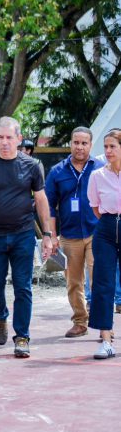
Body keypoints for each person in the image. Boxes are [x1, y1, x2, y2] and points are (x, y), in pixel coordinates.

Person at [0, 117, 53, 359]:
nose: (5, 142)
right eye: (0, 137)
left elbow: (41, 200)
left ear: (18, 138)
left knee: (23, 287)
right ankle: (0, 317)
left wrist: (47, 235)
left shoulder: (32, 166)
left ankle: (22, 337)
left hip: (23, 235)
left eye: (9, 138)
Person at [44, 127, 98, 338]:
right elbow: (49, 206)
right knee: (73, 281)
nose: (80, 147)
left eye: (84, 143)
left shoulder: (100, 168)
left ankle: (103, 323)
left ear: (90, 145)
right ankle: (80, 321)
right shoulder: (57, 172)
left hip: (97, 234)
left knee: (98, 279)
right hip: (69, 236)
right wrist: (52, 235)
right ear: (70, 143)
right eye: (76, 142)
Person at [87, 129, 121, 360]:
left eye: (112, 147)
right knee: (102, 284)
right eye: (106, 147)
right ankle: (106, 340)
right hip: (106, 229)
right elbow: (95, 207)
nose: (107, 151)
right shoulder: (97, 175)